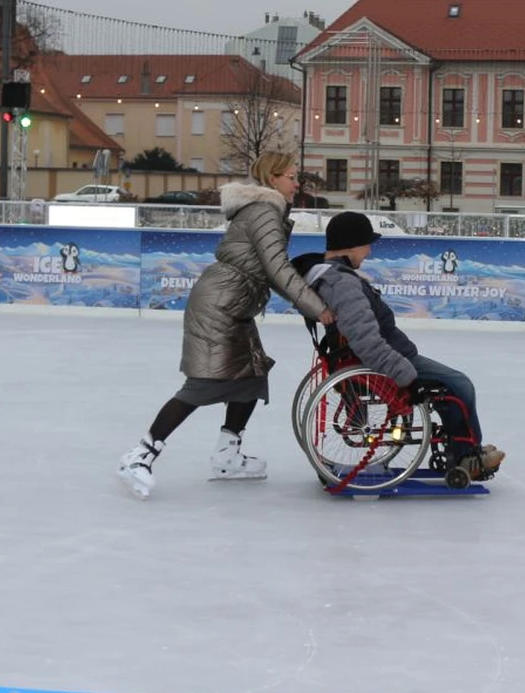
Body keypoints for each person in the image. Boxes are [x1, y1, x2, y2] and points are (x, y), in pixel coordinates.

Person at [116, 151, 335, 499]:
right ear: (273, 178)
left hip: (233, 305)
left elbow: (271, 269)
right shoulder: (265, 211)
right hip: (219, 306)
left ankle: (227, 455)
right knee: (203, 384)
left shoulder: (266, 210)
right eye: (292, 177)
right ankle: (140, 454)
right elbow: (277, 269)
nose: (297, 184)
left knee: (251, 377)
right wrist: (317, 307)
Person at [289, 211, 505, 480]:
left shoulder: (331, 276)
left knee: (451, 384)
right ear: (352, 245)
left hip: (374, 357)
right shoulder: (342, 283)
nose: (368, 251)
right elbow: (366, 340)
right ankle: (468, 457)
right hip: (383, 361)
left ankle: (463, 448)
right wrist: (404, 373)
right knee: (459, 384)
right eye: (366, 244)